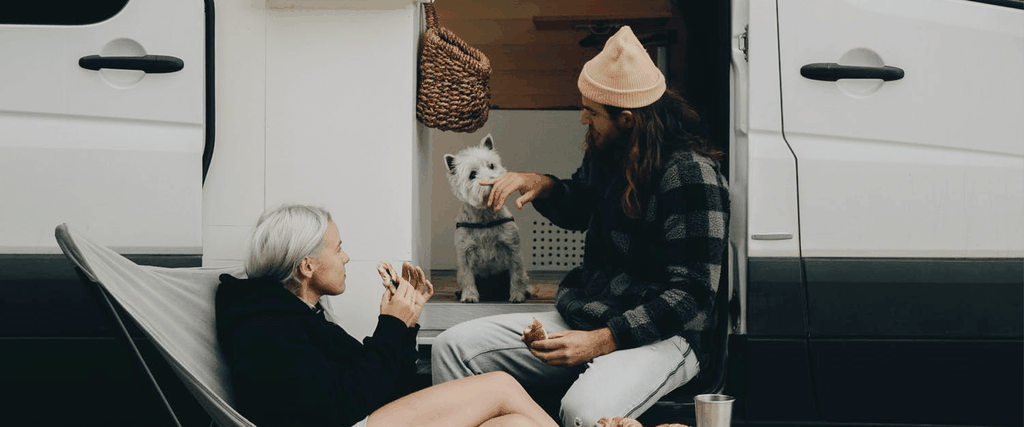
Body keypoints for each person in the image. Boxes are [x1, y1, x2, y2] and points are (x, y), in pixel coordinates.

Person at [431, 26, 730, 427]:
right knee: (452, 346)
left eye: (592, 112)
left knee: (584, 412)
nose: (583, 118)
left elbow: (692, 293)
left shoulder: (691, 175)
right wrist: (540, 184)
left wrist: (602, 341)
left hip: (665, 336)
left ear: (627, 119)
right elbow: (579, 207)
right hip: (592, 313)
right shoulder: (611, 152)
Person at [216, 204, 559, 427]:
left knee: (513, 425)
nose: (346, 258)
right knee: (499, 385)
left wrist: (404, 324)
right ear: (308, 266)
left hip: (360, 417)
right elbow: (338, 406)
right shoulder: (266, 327)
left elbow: (383, 385)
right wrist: (391, 326)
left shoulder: (295, 314)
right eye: (338, 249)